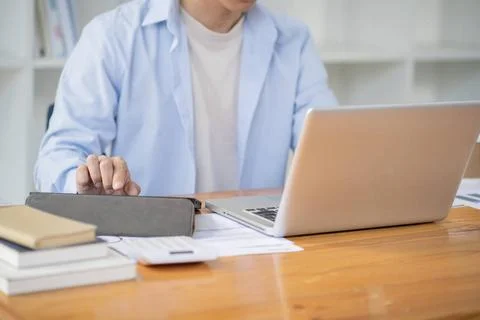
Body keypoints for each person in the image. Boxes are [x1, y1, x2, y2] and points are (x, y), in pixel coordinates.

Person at [34, 0, 337, 197]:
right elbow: (57, 156)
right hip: (148, 249)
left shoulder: (293, 41)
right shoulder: (113, 36)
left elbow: (332, 148)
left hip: (258, 252)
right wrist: (86, 180)